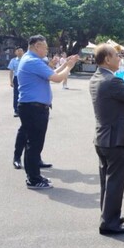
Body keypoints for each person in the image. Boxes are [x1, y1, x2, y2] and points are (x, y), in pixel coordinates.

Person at [89, 43, 124, 236]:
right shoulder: (112, 81)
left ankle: (108, 216)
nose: (119, 58)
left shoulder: (98, 78)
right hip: (117, 139)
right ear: (107, 59)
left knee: (107, 181)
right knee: (115, 182)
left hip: (103, 138)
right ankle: (110, 223)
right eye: (116, 55)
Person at [17, 35, 78, 189]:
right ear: (37, 46)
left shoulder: (31, 60)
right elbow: (56, 78)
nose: (46, 50)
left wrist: (66, 65)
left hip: (32, 107)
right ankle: (33, 179)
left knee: (34, 143)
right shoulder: (33, 61)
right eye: (45, 47)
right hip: (33, 108)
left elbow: (51, 73)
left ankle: (34, 175)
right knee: (34, 144)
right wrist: (69, 67)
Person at [8, 47, 24, 117]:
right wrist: (11, 81)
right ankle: (16, 110)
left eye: (21, 51)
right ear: (15, 52)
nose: (20, 52)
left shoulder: (26, 60)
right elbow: (11, 71)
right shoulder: (13, 61)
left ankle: (25, 110)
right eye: (18, 51)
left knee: (25, 94)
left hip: (25, 79)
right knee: (16, 95)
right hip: (17, 78)